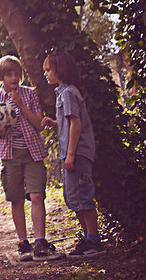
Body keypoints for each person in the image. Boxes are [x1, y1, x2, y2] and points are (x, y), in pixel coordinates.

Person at [0, 55, 62, 262]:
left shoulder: (29, 94)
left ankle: (40, 242)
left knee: (37, 196)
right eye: (9, 74)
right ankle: (23, 243)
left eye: (16, 74)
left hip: (33, 152)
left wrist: (21, 105)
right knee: (17, 199)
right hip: (10, 155)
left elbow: (38, 124)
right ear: (1, 77)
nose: (14, 78)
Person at [41, 50, 104, 257]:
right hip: (71, 153)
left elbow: (76, 124)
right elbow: (69, 121)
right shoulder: (63, 92)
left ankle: (94, 242)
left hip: (77, 154)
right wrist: (54, 122)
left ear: (60, 69)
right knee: (73, 197)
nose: (46, 74)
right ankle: (87, 239)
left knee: (82, 196)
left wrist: (70, 154)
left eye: (48, 69)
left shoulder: (68, 93)